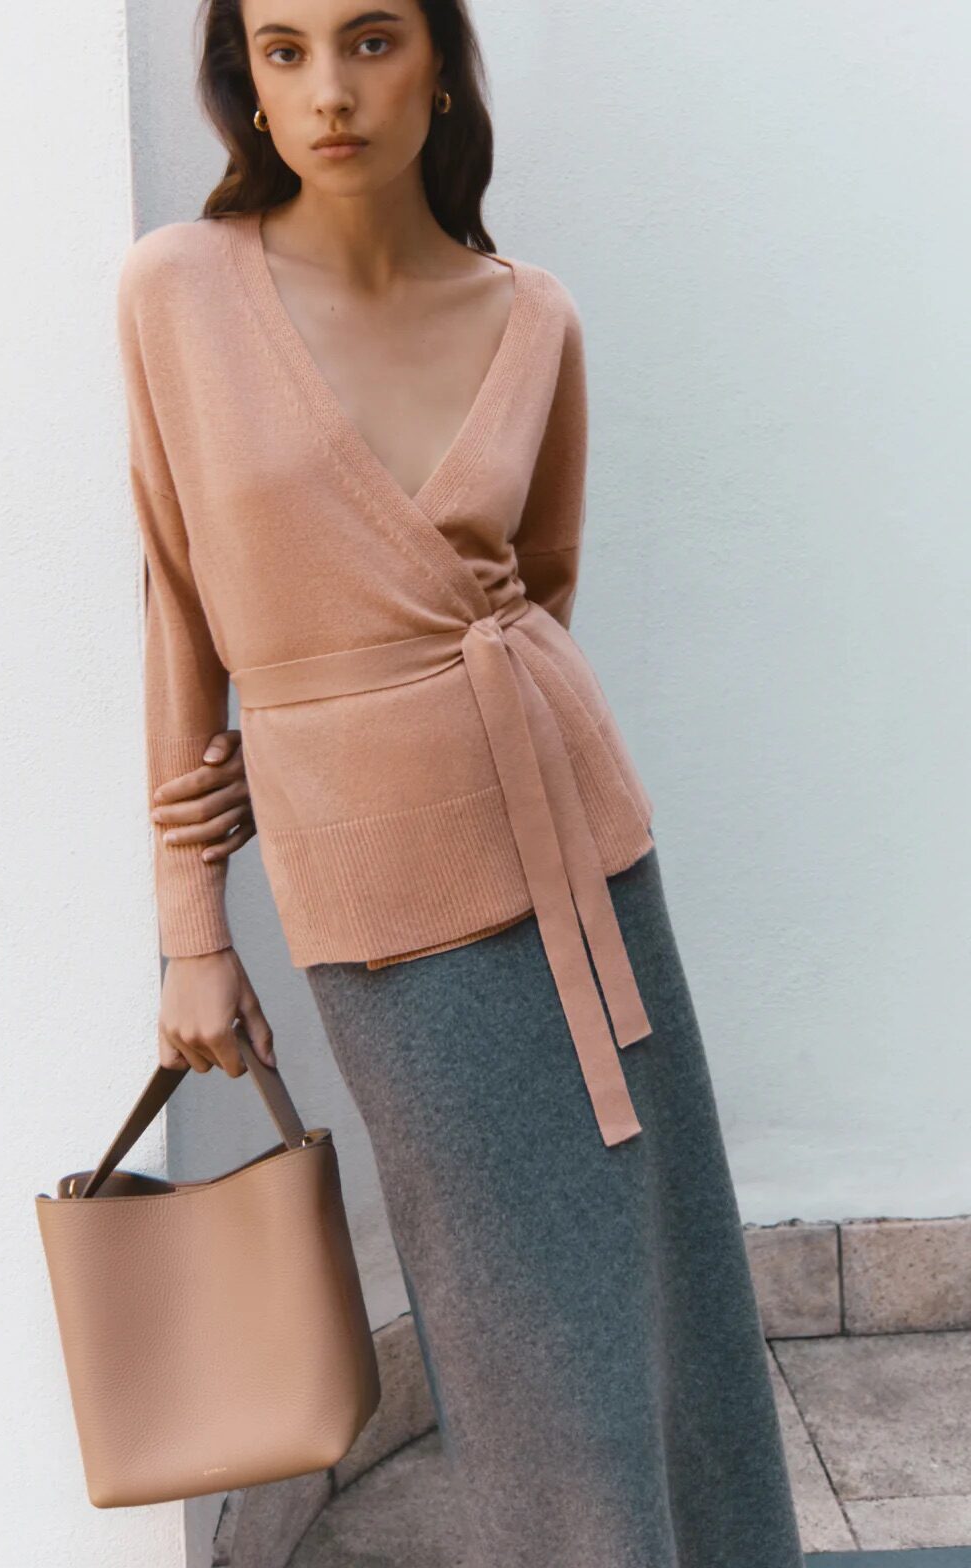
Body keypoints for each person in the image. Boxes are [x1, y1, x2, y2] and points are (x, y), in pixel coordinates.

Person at [117, 2, 807, 1562]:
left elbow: (537, 589)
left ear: (440, 65)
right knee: (527, 1347)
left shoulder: (534, 312)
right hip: (382, 895)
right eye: (282, 52)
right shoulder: (179, 292)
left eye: (368, 42)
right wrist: (192, 921)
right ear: (244, 79)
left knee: (672, 1283)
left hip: (584, 849)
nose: (328, 93)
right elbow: (179, 599)